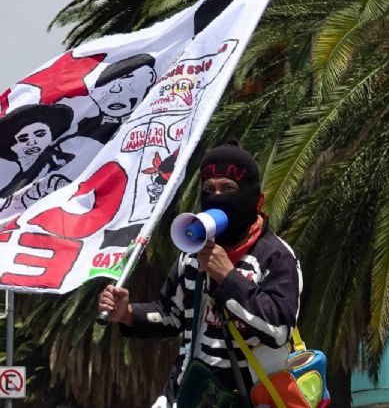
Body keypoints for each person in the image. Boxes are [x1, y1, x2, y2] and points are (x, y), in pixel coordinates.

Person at [98, 139, 302, 407]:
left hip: (249, 397)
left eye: (228, 188)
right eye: (209, 189)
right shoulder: (193, 255)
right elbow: (170, 315)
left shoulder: (276, 257)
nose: (217, 197)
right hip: (187, 394)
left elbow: (279, 330)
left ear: (257, 199)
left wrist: (228, 278)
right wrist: (127, 314)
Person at [78, 53, 157, 144]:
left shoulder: (161, 122)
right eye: (104, 82)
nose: (115, 89)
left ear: (150, 77)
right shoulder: (79, 131)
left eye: (126, 77)